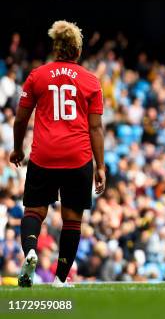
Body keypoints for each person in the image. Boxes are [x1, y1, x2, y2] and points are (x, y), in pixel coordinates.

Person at [10, 21, 106, 288]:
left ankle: (30, 251)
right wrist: (100, 166)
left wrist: (18, 148)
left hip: (44, 155)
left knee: (34, 211)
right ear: (77, 50)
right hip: (78, 157)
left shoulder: (37, 76)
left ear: (56, 48)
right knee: (72, 220)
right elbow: (95, 127)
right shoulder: (90, 80)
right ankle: (60, 279)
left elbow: (20, 120)